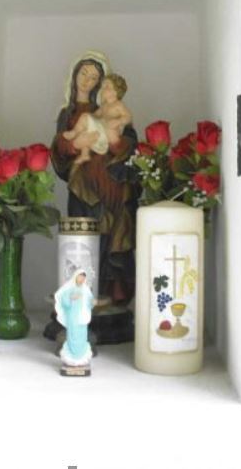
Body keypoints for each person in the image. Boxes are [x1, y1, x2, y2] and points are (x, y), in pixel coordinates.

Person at [51, 51, 139, 304]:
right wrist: (74, 144)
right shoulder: (67, 114)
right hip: (82, 185)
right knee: (83, 236)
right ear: (74, 74)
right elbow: (58, 147)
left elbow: (130, 141)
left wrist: (115, 142)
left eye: (94, 77)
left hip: (110, 183)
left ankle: (109, 295)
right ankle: (80, 296)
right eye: (83, 73)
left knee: (110, 233)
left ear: (102, 84)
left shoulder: (109, 110)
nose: (87, 81)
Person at [62, 74, 132, 165]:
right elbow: (96, 115)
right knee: (85, 121)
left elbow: (128, 117)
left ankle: (78, 136)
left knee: (91, 124)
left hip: (109, 134)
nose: (103, 89)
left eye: (107, 87)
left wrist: (118, 121)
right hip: (100, 131)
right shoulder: (104, 106)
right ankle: (83, 152)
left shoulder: (118, 105)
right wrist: (89, 119)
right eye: (102, 86)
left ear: (115, 92)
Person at [54, 269, 94, 367]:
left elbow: (89, 302)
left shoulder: (86, 289)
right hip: (73, 317)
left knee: (82, 336)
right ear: (75, 277)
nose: (81, 279)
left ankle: (81, 358)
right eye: (80, 277)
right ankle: (71, 357)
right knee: (72, 335)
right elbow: (64, 302)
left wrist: (92, 302)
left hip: (83, 318)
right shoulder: (69, 289)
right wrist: (71, 298)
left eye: (83, 278)